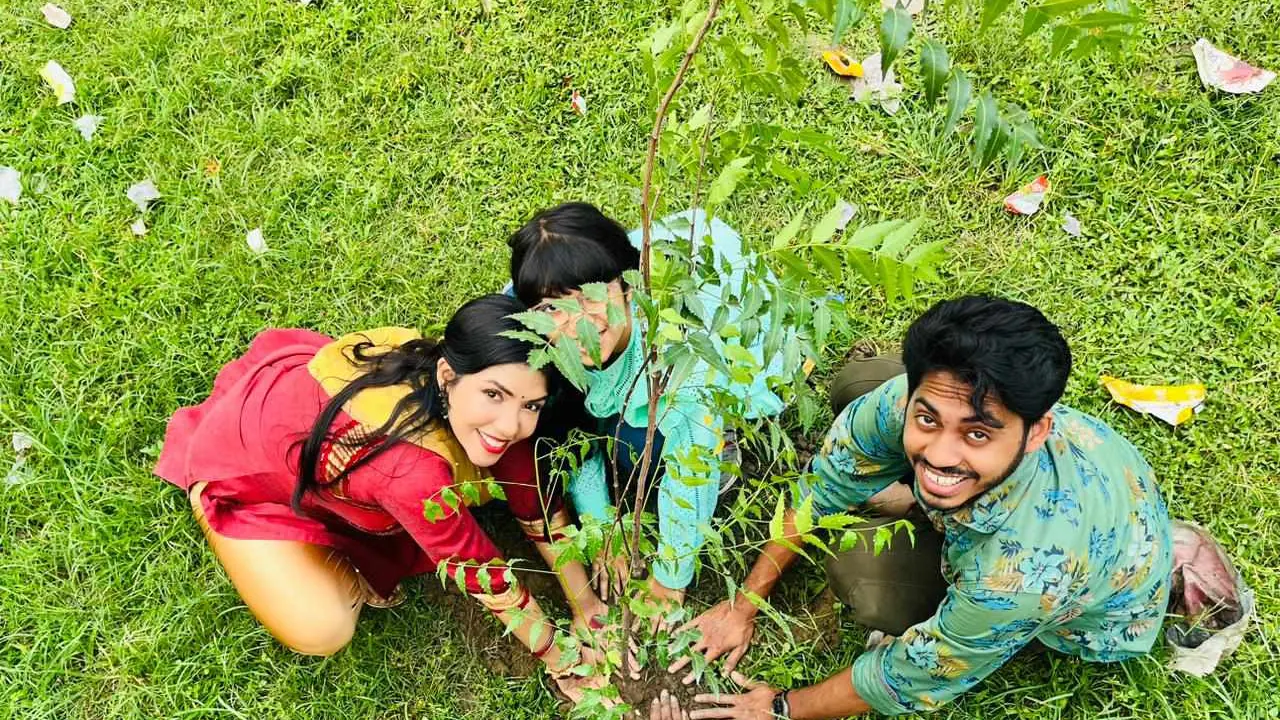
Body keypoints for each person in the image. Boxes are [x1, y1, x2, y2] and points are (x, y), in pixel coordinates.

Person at [672, 295, 1174, 718]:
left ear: (1037, 431)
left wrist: (781, 707)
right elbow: (821, 488)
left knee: (863, 577)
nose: (938, 454)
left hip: (1081, 597)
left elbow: (912, 676)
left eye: (977, 432)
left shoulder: (1019, 577)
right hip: (1038, 496)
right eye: (928, 419)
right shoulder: (910, 399)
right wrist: (745, 603)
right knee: (860, 382)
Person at [154, 294, 606, 702]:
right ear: (447, 374)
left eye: (531, 405)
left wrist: (586, 607)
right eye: (494, 395)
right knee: (323, 628)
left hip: (305, 421)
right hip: (251, 474)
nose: (511, 426)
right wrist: (562, 660)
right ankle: (209, 501)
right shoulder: (411, 475)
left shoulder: (452, 380)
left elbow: (536, 503)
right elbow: (481, 572)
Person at [507, 202, 787, 614]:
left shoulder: (679, 365)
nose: (577, 323)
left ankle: (723, 436)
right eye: (551, 308)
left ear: (630, 288)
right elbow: (572, 431)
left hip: (709, 370)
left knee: (657, 443)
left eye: (594, 295)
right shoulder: (534, 337)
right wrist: (605, 530)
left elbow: (691, 471)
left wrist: (670, 578)